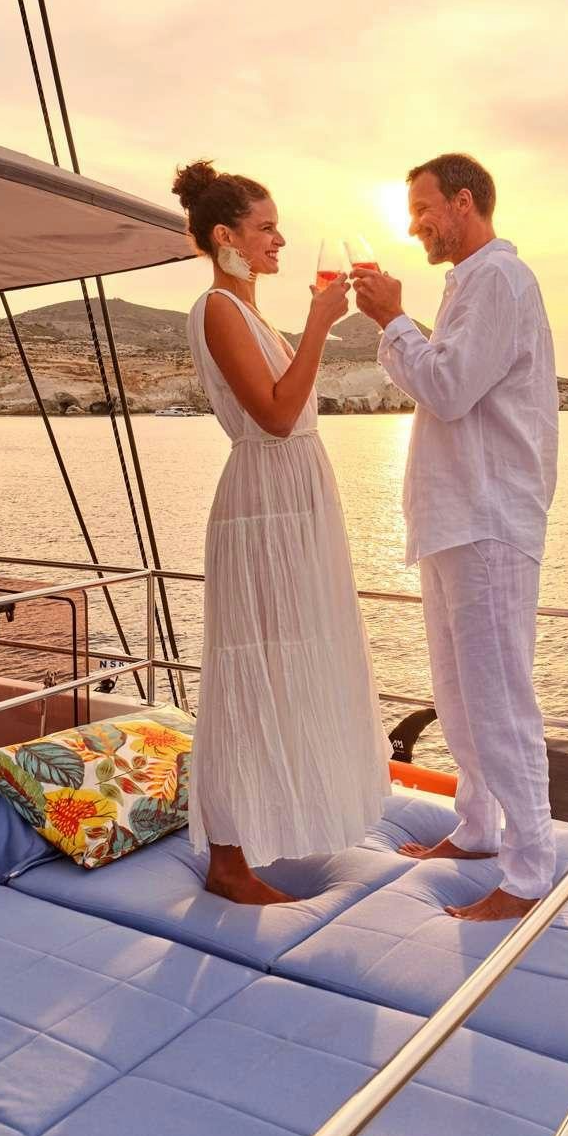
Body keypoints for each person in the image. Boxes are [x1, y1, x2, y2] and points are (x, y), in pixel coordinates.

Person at [174, 159, 390, 904]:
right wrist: (323, 327)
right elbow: (275, 414)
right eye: (266, 228)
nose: (280, 239)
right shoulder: (217, 310)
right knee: (249, 668)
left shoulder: (250, 312)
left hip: (293, 500)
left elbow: (287, 408)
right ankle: (228, 862)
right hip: (264, 500)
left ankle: (285, 820)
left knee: (302, 653)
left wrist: (308, 327)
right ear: (225, 235)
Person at [352, 153, 559, 922]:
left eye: (423, 208)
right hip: (454, 521)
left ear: (463, 202)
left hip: (489, 520)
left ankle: (532, 868)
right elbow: (446, 383)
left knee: (499, 698)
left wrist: (392, 321)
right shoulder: (468, 285)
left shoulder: (502, 281)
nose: (414, 225)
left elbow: (448, 386)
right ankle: (477, 830)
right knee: (459, 695)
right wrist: (405, 327)